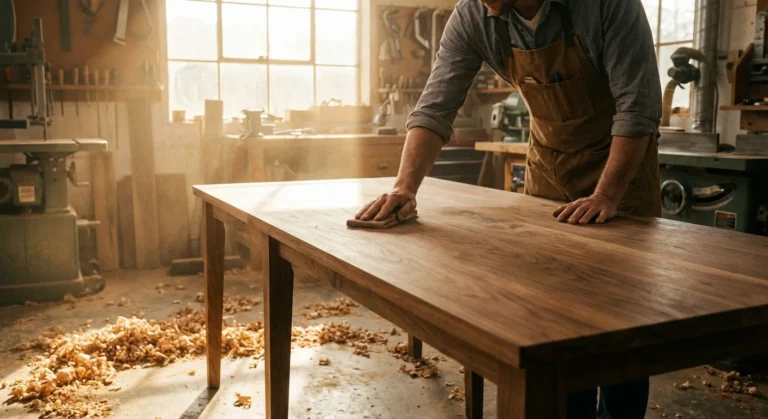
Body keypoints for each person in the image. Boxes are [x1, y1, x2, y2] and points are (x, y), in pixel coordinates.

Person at [356, 0, 661, 417]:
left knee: (622, 326)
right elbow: (436, 105)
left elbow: (638, 107)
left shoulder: (607, 5)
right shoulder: (473, 16)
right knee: (551, 315)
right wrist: (405, 187)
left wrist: (607, 195)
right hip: (549, 170)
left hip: (620, 173)